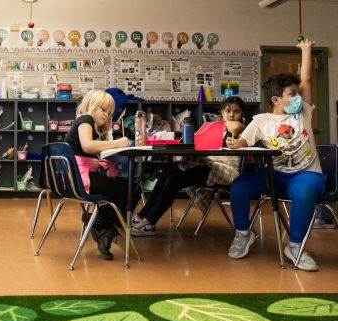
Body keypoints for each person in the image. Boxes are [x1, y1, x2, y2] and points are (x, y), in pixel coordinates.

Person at [226, 38, 325, 271]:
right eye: (293, 93)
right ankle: (243, 233)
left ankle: (295, 246)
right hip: (274, 174)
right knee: (239, 186)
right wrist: (236, 142)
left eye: (298, 92)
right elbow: (244, 140)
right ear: (276, 100)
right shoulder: (261, 120)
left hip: (306, 173)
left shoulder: (302, 113)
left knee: (302, 191)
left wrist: (306, 49)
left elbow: (307, 79)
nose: (298, 96)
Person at [132, 96, 247, 236]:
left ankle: (149, 222)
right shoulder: (215, 128)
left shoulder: (243, 130)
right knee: (168, 173)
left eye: (236, 112)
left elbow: (236, 126)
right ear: (221, 112)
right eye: (228, 111)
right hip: (209, 165)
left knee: (174, 179)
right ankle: (143, 215)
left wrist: (224, 124)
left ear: (242, 114)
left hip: (225, 171)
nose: (231, 115)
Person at [64, 89, 139, 260]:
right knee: (132, 188)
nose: (106, 115)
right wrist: (118, 142)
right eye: (103, 110)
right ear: (92, 106)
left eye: (110, 112)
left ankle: (101, 224)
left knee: (122, 189)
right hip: (81, 180)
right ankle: (101, 224)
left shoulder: (87, 124)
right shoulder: (85, 119)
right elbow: (87, 146)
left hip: (77, 178)